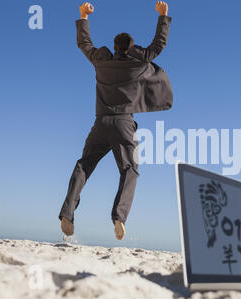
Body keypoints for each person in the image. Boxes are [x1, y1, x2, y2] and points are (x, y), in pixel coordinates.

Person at [59, 1, 173, 240]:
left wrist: (84, 16)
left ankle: (67, 213)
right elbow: (158, 45)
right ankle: (119, 218)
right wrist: (163, 16)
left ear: (114, 46)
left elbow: (85, 44)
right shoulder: (138, 62)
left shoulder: (101, 62)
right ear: (131, 48)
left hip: (100, 124)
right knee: (130, 170)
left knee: (84, 165)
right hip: (123, 124)